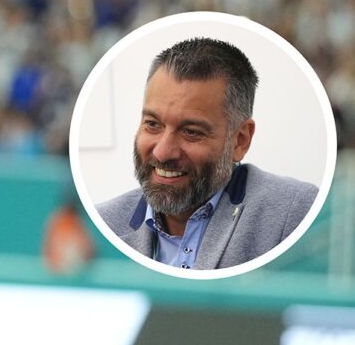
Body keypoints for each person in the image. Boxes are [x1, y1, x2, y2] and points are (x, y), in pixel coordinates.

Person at [97, 37, 318, 270]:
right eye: (153, 124)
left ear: (240, 140)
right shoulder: (102, 225)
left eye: (191, 132)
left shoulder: (295, 215)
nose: (163, 152)